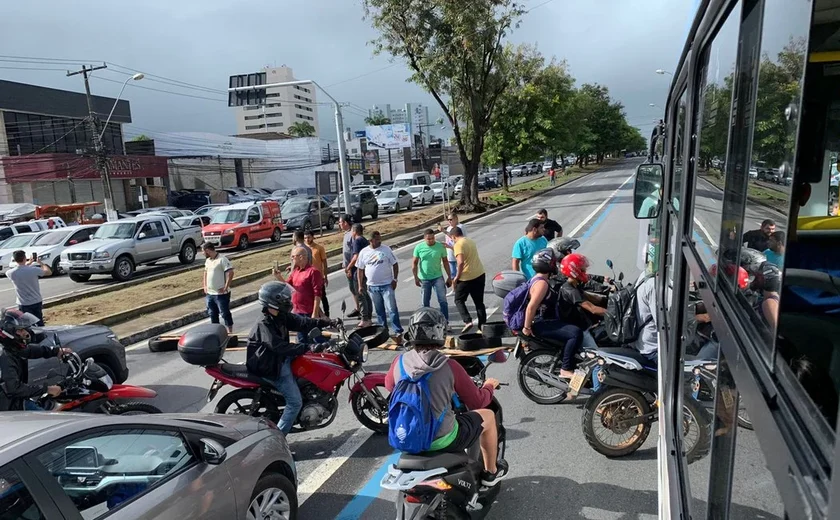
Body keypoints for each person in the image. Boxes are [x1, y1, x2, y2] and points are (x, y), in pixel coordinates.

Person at [384, 307, 508, 486]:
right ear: (440, 332)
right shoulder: (449, 365)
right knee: (487, 416)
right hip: (443, 439)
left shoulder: (399, 362)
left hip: (405, 436)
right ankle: (491, 473)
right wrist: (489, 386)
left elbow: (390, 386)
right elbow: (477, 401)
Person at [245, 281, 336, 434]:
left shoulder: (280, 316)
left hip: (280, 360)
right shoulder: (264, 324)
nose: (289, 301)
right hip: (272, 366)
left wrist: (325, 322)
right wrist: (308, 347)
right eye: (286, 299)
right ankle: (278, 441)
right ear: (275, 301)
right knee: (294, 403)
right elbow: (280, 347)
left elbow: (301, 322)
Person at [521, 249, 583, 378]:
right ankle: (566, 369)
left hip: (545, 320)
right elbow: (531, 307)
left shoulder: (539, 279)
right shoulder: (541, 284)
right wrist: (527, 328)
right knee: (575, 333)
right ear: (548, 265)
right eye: (553, 263)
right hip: (541, 323)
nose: (555, 266)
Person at [0, 309, 71, 411]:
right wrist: (47, 389)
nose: (25, 333)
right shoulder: (4, 355)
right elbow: (14, 388)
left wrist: (56, 351)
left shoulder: (11, 346)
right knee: (50, 422)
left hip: (17, 401)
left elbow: (28, 351)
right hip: (9, 408)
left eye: (25, 329)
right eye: (20, 330)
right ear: (9, 332)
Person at [357, 231, 404, 344]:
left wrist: (395, 279)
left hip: (387, 284)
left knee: (391, 309)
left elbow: (395, 264)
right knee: (379, 311)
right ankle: (383, 331)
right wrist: (360, 285)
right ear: (370, 241)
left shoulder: (386, 249)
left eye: (380, 238)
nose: (379, 241)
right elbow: (360, 269)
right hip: (373, 286)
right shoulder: (364, 252)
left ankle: (398, 331)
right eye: (377, 239)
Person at [275, 246, 325, 343]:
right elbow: (288, 286)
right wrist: (278, 277)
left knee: (316, 339)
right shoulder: (295, 272)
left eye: (293, 257)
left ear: (301, 257)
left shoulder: (313, 272)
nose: (292, 259)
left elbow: (317, 294)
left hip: (308, 312)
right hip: (297, 312)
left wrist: (315, 313)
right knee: (302, 340)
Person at [558, 253, 606, 350]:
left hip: (584, 321)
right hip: (578, 327)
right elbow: (592, 309)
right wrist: (613, 314)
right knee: (598, 355)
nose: (585, 271)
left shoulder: (575, 284)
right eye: (583, 269)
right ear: (575, 271)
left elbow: (590, 297)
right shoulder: (570, 290)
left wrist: (608, 299)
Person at [451, 226, 487, 333]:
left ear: (454, 237)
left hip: (466, 277)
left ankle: (467, 321)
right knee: (479, 302)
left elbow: (460, 262)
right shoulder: (470, 241)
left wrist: (457, 277)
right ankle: (482, 326)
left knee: (458, 300)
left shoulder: (458, 244)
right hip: (479, 273)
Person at [412, 229, 452, 322]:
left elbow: (445, 262)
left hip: (437, 277)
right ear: (424, 238)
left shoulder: (440, 246)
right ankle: (426, 323)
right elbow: (414, 263)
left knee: (443, 301)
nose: (431, 240)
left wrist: (449, 277)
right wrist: (416, 278)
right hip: (424, 278)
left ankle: (445, 322)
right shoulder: (419, 247)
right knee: (425, 303)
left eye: (432, 238)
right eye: (428, 239)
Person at [7, 250, 52, 326]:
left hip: (23, 303)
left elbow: (21, 269)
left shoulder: (10, 273)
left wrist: (28, 263)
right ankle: (41, 336)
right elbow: (48, 272)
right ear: (25, 258)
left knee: (27, 325)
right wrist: (41, 263)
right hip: (36, 300)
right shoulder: (33, 270)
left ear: (15, 260)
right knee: (39, 321)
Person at [202, 242, 234, 333]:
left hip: (221, 294)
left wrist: (226, 286)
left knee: (225, 313)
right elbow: (205, 273)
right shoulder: (208, 261)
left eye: (203, 251)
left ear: (207, 250)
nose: (202, 253)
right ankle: (216, 332)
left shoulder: (222, 259)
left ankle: (230, 332)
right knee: (212, 313)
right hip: (210, 293)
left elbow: (230, 272)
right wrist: (205, 285)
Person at [347, 223, 374, 327]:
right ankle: (369, 317)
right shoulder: (364, 240)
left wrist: (348, 267)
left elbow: (356, 257)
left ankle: (365, 318)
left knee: (361, 295)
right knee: (365, 295)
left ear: (354, 231)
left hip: (358, 272)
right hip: (366, 271)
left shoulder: (357, 241)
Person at [339, 214, 361, 318]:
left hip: (353, 267)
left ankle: (362, 310)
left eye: (340, 222)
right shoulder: (346, 234)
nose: (339, 224)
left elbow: (354, 253)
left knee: (358, 288)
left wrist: (349, 267)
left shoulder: (352, 234)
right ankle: (357, 308)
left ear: (345, 223)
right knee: (352, 288)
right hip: (348, 266)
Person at [304, 230, 330, 317]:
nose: (307, 239)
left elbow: (324, 263)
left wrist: (325, 277)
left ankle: (327, 314)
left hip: (319, 277)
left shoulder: (319, 248)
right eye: (305, 238)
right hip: (308, 278)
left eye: (309, 237)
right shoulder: (303, 249)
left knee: (322, 297)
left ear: (312, 237)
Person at [444, 213, 465, 278]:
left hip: (459, 253)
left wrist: (443, 231)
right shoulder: (448, 228)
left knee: (461, 273)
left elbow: (458, 238)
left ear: (456, 219)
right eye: (448, 220)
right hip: (450, 254)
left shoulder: (460, 227)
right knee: (453, 274)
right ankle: (455, 287)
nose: (449, 221)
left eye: (451, 219)